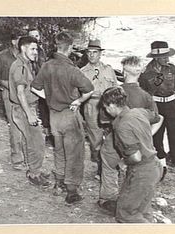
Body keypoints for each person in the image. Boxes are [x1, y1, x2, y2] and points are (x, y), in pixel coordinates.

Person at [32, 32, 94, 204]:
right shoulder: (71, 69)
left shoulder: (47, 66)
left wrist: (49, 97)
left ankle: (58, 184)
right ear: (70, 47)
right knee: (74, 152)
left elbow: (34, 87)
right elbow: (90, 89)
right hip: (69, 114)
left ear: (57, 47)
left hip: (53, 116)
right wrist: (78, 100)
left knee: (59, 150)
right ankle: (72, 191)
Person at [98, 56, 164, 214]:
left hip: (115, 139)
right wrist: (147, 134)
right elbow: (159, 118)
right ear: (140, 72)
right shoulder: (146, 96)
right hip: (140, 144)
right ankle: (129, 198)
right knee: (133, 169)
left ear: (122, 72)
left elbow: (102, 120)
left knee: (108, 164)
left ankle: (108, 198)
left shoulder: (113, 94)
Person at [138, 41, 175, 185]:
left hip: (172, 104)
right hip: (155, 105)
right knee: (157, 137)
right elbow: (144, 93)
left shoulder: (172, 68)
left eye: (168, 56)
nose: (167, 59)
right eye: (164, 57)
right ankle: (162, 167)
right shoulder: (145, 73)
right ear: (156, 57)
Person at [8, 36, 50, 187]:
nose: (35, 52)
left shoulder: (25, 64)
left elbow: (29, 88)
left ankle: (35, 169)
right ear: (23, 48)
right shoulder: (20, 67)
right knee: (36, 141)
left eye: (36, 49)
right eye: (32, 49)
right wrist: (29, 114)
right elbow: (20, 94)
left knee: (33, 140)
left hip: (27, 107)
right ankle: (34, 174)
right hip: (23, 109)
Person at [81, 39, 118, 180]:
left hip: (109, 106)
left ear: (100, 54)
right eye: (89, 53)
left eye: (95, 52)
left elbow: (116, 87)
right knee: (95, 139)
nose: (91, 55)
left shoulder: (108, 69)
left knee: (112, 136)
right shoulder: (82, 72)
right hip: (92, 105)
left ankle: (112, 165)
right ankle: (99, 167)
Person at [0, 32, 25, 171]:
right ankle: (17, 159)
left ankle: (29, 157)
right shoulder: (3, 57)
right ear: (13, 41)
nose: (22, 42)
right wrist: (5, 83)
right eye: (19, 39)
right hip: (9, 94)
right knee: (15, 125)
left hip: (26, 94)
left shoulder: (28, 55)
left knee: (27, 124)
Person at [28, 28, 54, 147]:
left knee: (46, 108)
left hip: (45, 83)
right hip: (34, 84)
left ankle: (49, 134)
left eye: (37, 36)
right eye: (32, 36)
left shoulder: (42, 50)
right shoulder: (28, 52)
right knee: (39, 109)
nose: (35, 38)